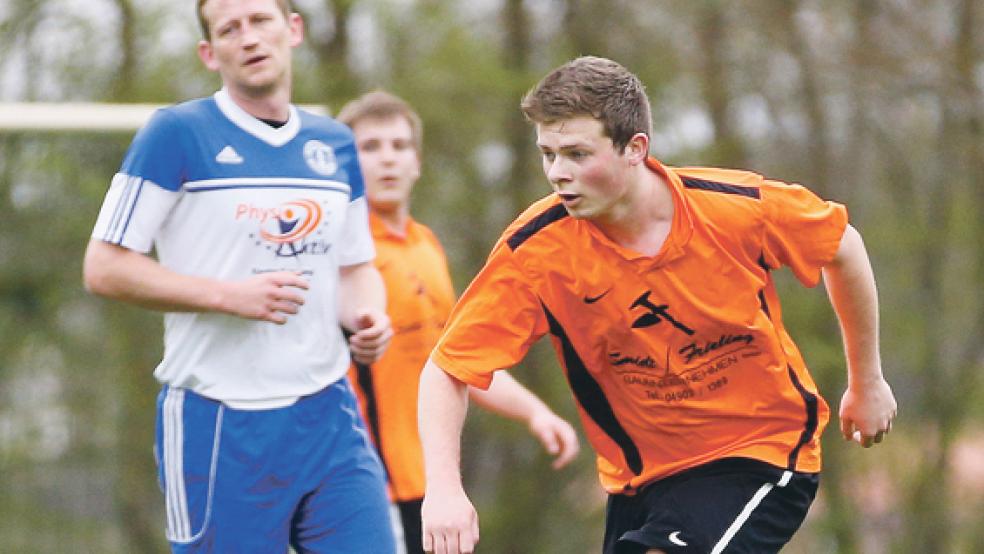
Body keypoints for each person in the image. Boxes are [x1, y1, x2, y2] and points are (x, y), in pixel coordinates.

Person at [417, 56, 898, 554]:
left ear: (635, 148)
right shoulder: (536, 251)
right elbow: (447, 369)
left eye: (578, 154)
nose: (558, 173)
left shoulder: (735, 209)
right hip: (640, 480)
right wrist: (444, 489)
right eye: (548, 154)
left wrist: (866, 383)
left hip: (762, 450)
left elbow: (844, 247)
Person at [82, 1, 397, 552]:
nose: (248, 37)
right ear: (210, 53)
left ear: (292, 29)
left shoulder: (335, 145)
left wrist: (368, 317)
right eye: (229, 29)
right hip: (220, 423)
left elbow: (355, 267)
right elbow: (104, 267)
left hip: (328, 413)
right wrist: (227, 296)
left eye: (260, 21)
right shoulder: (176, 133)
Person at [336, 90, 580, 554]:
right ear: (345, 164)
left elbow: (454, 360)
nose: (387, 159)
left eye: (399, 145)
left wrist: (534, 412)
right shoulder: (344, 257)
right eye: (369, 147)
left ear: (418, 162)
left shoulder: (426, 244)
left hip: (430, 482)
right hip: (364, 486)